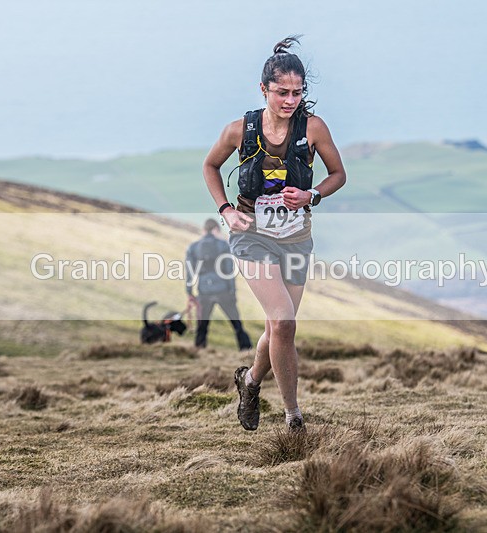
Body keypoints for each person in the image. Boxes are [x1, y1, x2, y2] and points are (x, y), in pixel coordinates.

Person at [202, 36, 347, 433]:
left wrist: (312, 194)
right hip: (252, 236)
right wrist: (225, 209)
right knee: (283, 322)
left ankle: (250, 382)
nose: (290, 100)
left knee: (276, 327)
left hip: (296, 237)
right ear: (263, 89)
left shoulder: (313, 128)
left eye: (297, 93)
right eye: (282, 92)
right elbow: (210, 166)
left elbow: (338, 175)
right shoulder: (239, 130)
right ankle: (293, 417)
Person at [185, 218, 253, 350]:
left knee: (202, 326)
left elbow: (189, 272)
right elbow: (229, 271)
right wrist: (232, 291)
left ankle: (199, 350)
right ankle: (246, 350)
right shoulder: (223, 245)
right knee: (236, 323)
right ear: (216, 229)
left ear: (204, 230)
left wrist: (189, 292)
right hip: (223, 290)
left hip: (204, 291)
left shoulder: (193, 247)